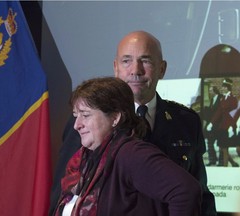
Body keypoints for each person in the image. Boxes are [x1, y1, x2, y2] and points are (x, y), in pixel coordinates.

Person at [49, 31, 217, 215]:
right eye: (126, 61)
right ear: (116, 68)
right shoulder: (88, 123)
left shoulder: (185, 121)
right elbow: (63, 194)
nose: (135, 70)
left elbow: (200, 193)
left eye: (145, 61)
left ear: (162, 68)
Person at [53, 77, 201, 216]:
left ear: (115, 118)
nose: (76, 125)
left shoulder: (131, 153)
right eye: (75, 115)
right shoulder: (85, 158)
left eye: (85, 115)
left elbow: (186, 191)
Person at [207, 78, 239, 167]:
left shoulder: (233, 99)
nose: (222, 89)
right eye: (222, 87)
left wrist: (232, 127)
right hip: (222, 127)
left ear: (228, 87)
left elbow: (234, 114)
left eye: (224, 87)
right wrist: (211, 123)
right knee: (221, 147)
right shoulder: (223, 99)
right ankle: (233, 163)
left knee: (225, 148)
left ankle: (225, 167)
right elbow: (219, 112)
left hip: (229, 128)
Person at [203, 86, 222, 166]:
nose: (210, 92)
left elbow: (220, 112)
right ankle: (212, 160)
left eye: (211, 91)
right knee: (210, 143)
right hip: (211, 126)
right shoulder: (212, 100)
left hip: (219, 125)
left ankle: (221, 161)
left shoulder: (220, 99)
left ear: (215, 91)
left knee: (221, 144)